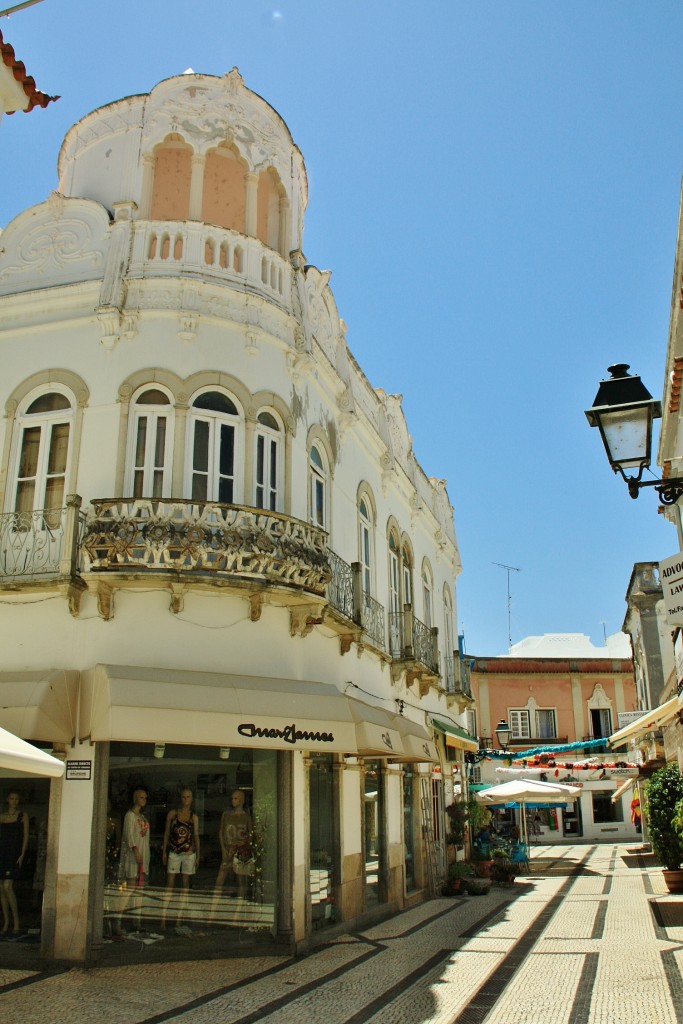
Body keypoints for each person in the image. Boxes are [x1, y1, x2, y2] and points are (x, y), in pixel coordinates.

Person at [0, 790, 29, 936]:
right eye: (11, 798)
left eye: (16, 799)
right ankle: (6, 923)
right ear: (7, 800)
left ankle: (16, 922)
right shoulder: (2, 817)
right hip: (2, 852)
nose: (14, 801)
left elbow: (25, 836)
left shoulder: (22, 816)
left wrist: (22, 854)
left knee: (7, 886)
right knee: (1, 888)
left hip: (13, 853)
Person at [215, 789, 252, 895]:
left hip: (240, 851)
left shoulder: (247, 817)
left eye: (235, 798)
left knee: (241, 880)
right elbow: (221, 832)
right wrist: (223, 848)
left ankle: (240, 905)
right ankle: (214, 904)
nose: (233, 800)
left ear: (241, 800)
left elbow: (251, 834)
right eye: (232, 798)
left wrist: (245, 843)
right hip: (228, 849)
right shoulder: (226, 814)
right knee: (220, 878)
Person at [162, 788, 200, 890]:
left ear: (192, 799)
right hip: (174, 850)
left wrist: (198, 855)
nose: (186, 799)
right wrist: (164, 852)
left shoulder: (194, 817)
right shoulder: (173, 814)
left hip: (189, 852)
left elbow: (196, 836)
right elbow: (167, 833)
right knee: (170, 881)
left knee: (186, 881)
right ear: (180, 798)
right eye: (183, 797)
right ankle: (166, 903)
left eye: (188, 797)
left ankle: (184, 904)